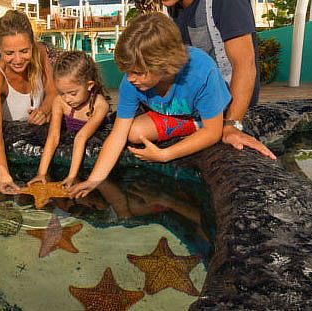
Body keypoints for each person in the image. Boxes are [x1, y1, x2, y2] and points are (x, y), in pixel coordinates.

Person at [142, 0, 276, 160]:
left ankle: (209, 130)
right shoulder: (173, 1)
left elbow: (245, 64)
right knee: (134, 130)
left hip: (225, 105)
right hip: (197, 100)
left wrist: (232, 124)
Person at [69, 12, 231, 198]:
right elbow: (118, 134)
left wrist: (165, 154)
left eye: (137, 72)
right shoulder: (131, 81)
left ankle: (196, 124)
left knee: (210, 127)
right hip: (171, 114)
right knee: (133, 133)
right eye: (127, 72)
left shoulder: (201, 71)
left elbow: (213, 132)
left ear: (164, 64)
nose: (130, 79)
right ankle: (191, 126)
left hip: (204, 116)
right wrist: (93, 180)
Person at [0, 10, 57, 194]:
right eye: (9, 53)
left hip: (44, 143)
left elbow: (53, 90)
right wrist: (2, 173)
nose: (18, 59)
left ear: (32, 45)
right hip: (13, 148)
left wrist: (44, 110)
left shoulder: (39, 52)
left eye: (24, 51)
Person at [28, 50, 111, 188]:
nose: (67, 99)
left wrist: (72, 176)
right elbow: (53, 136)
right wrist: (42, 173)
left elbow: (81, 137)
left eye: (72, 93)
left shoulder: (100, 105)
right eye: (62, 93)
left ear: (89, 85)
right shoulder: (60, 102)